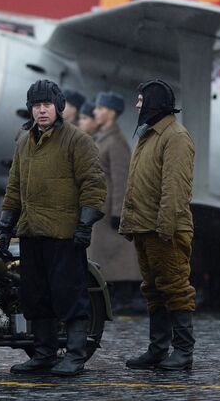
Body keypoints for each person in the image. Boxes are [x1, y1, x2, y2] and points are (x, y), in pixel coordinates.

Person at [0, 79, 106, 377]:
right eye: (36, 105)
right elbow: (14, 186)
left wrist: (85, 225)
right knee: (36, 297)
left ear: (58, 107)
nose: (41, 110)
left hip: (64, 235)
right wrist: (7, 225)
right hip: (32, 233)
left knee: (70, 296)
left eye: (47, 105)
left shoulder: (78, 140)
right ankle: (44, 354)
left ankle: (75, 355)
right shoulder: (24, 141)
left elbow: (94, 185)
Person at [121, 79, 196, 371]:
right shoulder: (149, 135)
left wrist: (166, 228)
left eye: (141, 100)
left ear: (153, 103)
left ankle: (183, 351)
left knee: (175, 287)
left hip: (164, 230)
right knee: (153, 289)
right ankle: (158, 348)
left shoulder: (175, 136)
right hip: (145, 228)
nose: (137, 105)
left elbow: (175, 188)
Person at [88, 91, 142, 314]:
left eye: (100, 109)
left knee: (117, 258)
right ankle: (113, 297)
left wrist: (119, 211)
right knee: (104, 257)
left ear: (110, 113)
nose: (95, 112)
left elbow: (122, 179)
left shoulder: (116, 142)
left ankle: (124, 297)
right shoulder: (104, 138)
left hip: (110, 208)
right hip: (101, 207)